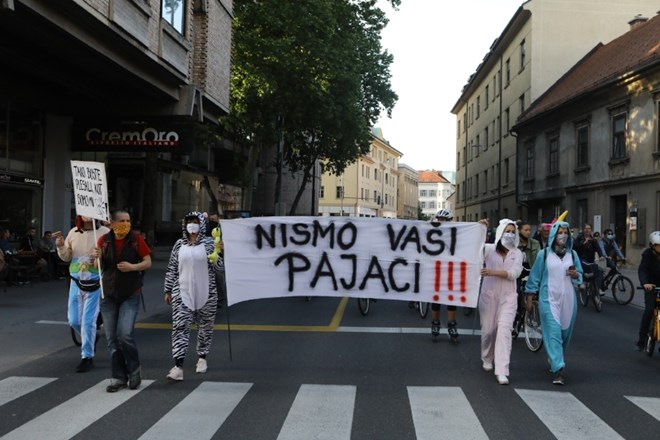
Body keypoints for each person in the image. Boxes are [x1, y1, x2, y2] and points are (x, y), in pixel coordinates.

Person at [93, 210, 152, 392]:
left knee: (125, 334)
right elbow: (97, 267)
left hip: (130, 294)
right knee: (112, 339)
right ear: (113, 222)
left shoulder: (135, 239)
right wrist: (97, 257)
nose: (126, 223)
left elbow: (147, 261)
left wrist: (132, 267)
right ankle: (118, 377)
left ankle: (134, 370)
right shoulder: (104, 241)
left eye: (128, 220)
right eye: (122, 221)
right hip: (108, 295)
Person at [164, 211, 224, 381]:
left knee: (205, 326)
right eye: (189, 221)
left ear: (201, 224)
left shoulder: (210, 243)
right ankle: (178, 366)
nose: (192, 224)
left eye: (195, 221)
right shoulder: (178, 245)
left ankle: (202, 358)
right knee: (180, 326)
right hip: (182, 291)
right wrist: (168, 290)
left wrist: (218, 253)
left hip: (207, 291)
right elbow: (172, 268)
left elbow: (220, 268)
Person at [525, 221, 583, 385]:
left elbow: (580, 276)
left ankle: (555, 359)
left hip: (569, 301)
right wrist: (529, 297)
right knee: (553, 333)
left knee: (565, 335)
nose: (562, 235)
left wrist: (575, 275)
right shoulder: (543, 255)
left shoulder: (574, 255)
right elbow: (534, 277)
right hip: (548, 299)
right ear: (553, 235)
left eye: (565, 232)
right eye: (560, 232)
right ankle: (559, 369)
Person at [56, 216, 110, 372]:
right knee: (73, 320)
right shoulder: (73, 232)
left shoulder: (104, 232)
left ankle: (87, 356)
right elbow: (66, 256)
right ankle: (91, 336)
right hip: (75, 281)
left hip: (95, 283)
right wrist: (60, 247)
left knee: (88, 321)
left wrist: (101, 255)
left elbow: (111, 256)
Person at [479, 219, 523, 385]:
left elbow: (514, 273)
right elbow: (474, 249)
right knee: (489, 331)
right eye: (507, 231)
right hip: (489, 295)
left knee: (504, 331)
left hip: (509, 297)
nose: (510, 234)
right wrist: (481, 228)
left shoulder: (518, 254)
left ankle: (502, 370)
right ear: (500, 232)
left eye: (513, 231)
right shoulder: (489, 250)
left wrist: (492, 272)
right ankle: (487, 357)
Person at [429, 209, 460, 343]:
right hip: (435, 270)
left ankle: (452, 325)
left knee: (450, 299)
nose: (441, 221)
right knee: (436, 300)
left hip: (450, 270)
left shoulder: (457, 232)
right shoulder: (431, 231)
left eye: (444, 219)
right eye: (439, 219)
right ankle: (435, 323)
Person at [635, 231, 660, 352]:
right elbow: (643, 270)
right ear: (652, 245)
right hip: (651, 285)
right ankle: (641, 340)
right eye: (658, 245)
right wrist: (645, 283)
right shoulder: (647, 255)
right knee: (649, 310)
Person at [574, 223, 604, 292]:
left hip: (590, 259)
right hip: (582, 258)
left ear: (591, 230)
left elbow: (598, 248)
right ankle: (583, 281)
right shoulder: (579, 238)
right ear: (583, 230)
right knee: (583, 267)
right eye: (586, 228)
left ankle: (599, 288)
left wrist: (601, 256)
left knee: (599, 271)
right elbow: (575, 247)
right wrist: (583, 243)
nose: (587, 230)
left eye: (589, 229)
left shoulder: (593, 240)